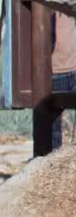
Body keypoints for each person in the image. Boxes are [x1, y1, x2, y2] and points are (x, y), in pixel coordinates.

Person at [34, 14, 76, 154]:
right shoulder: (46, 4)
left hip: (73, 69)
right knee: (52, 134)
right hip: (54, 73)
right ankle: (51, 167)